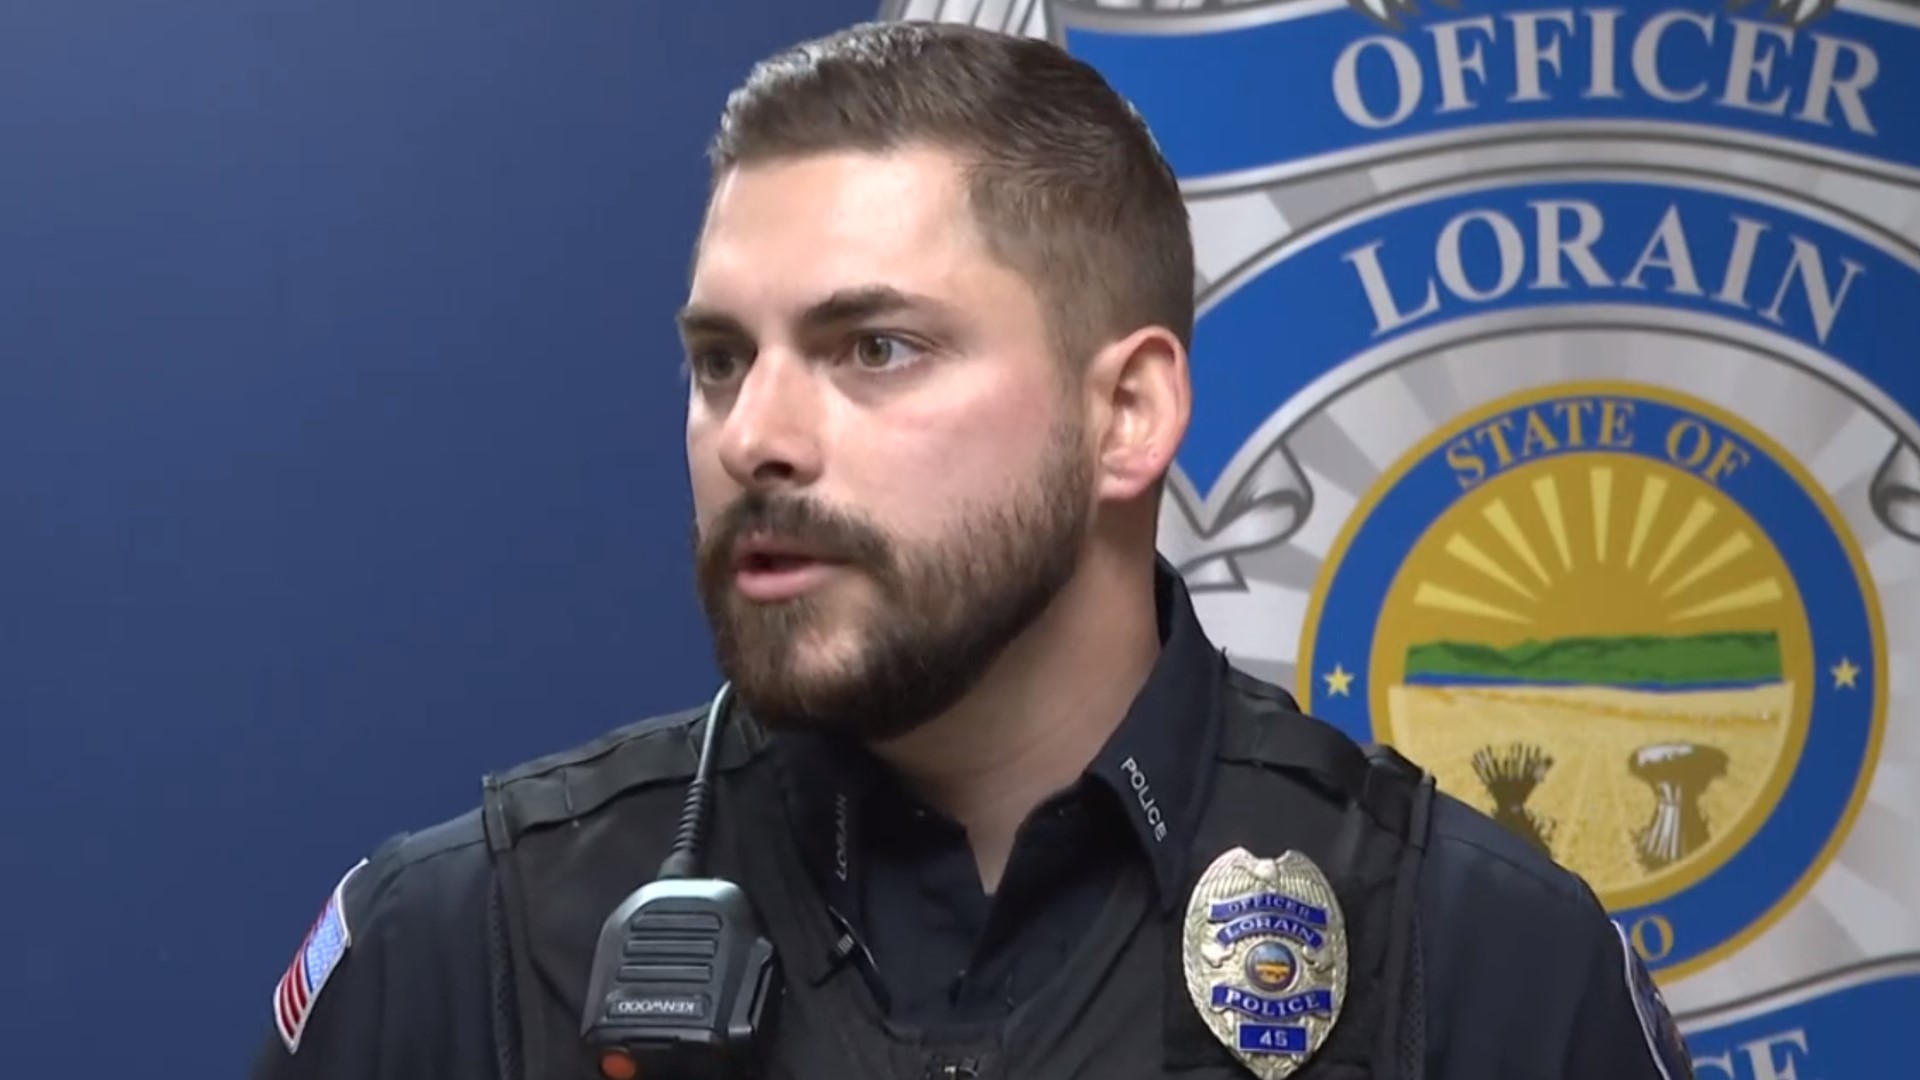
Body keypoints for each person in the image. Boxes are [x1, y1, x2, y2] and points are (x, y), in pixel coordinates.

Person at [250, 20, 1697, 1080]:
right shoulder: (457, 952)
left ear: (1128, 411)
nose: (755, 435)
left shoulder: (1477, 970)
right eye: (715, 360)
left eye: (872, 346)